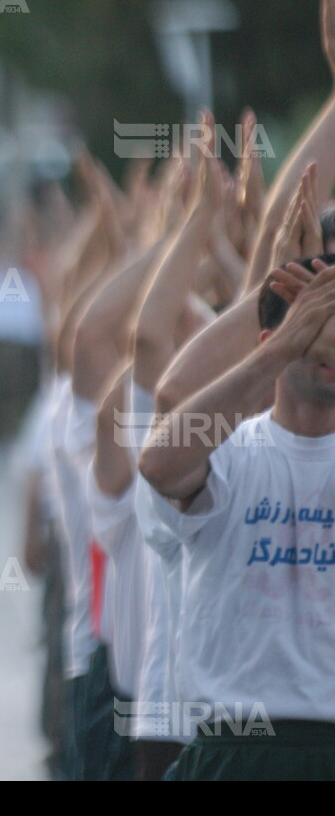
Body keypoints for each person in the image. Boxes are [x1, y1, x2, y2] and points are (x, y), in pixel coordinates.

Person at [139, 255, 335, 780]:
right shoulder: (229, 451)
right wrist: (284, 350)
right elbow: (159, 463)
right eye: (314, 322)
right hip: (234, 747)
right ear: (272, 340)